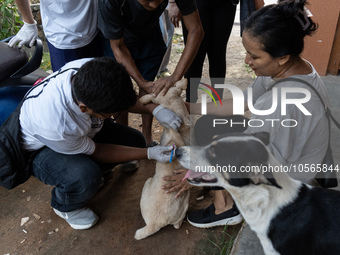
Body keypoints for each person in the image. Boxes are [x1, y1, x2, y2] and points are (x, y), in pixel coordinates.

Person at [163, 0, 330, 228]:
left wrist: (196, 175)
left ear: (282, 57)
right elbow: (244, 101)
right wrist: (189, 107)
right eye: (246, 52)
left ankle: (225, 209)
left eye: (254, 56)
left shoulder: (281, 104)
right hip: (285, 153)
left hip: (287, 179)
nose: (246, 61)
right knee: (207, 126)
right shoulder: (292, 68)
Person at [19, 57, 183, 230]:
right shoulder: (58, 125)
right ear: (84, 109)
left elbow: (120, 98)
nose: (116, 113)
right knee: (85, 176)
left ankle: (96, 172)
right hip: (41, 149)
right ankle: (65, 205)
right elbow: (98, 150)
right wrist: (149, 154)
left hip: (78, 133)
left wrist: (154, 109)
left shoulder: (90, 69)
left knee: (135, 141)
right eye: (111, 112)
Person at [97, 0, 204, 147]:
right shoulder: (110, 2)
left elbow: (196, 30)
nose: (154, 5)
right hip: (117, 39)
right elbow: (118, 46)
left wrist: (175, 77)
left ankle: (147, 136)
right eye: (148, 0)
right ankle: (125, 141)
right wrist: (140, 81)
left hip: (149, 35)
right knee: (119, 89)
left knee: (150, 86)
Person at [9, 0, 103, 72]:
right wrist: (29, 23)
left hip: (96, 30)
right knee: (70, 90)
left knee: (100, 84)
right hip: (63, 38)